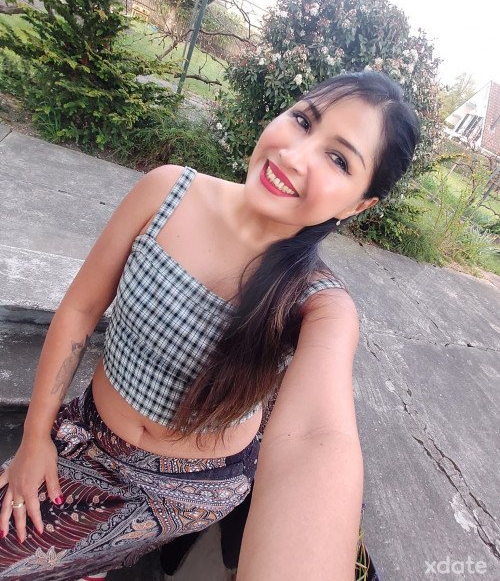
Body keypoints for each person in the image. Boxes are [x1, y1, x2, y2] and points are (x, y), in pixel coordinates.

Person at [0, 71, 419, 581]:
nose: (295, 155)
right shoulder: (168, 191)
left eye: (338, 159)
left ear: (358, 204)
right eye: (303, 121)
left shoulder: (319, 303)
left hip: (187, 491)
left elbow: (317, 437)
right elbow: (80, 310)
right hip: (87, 432)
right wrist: (34, 438)